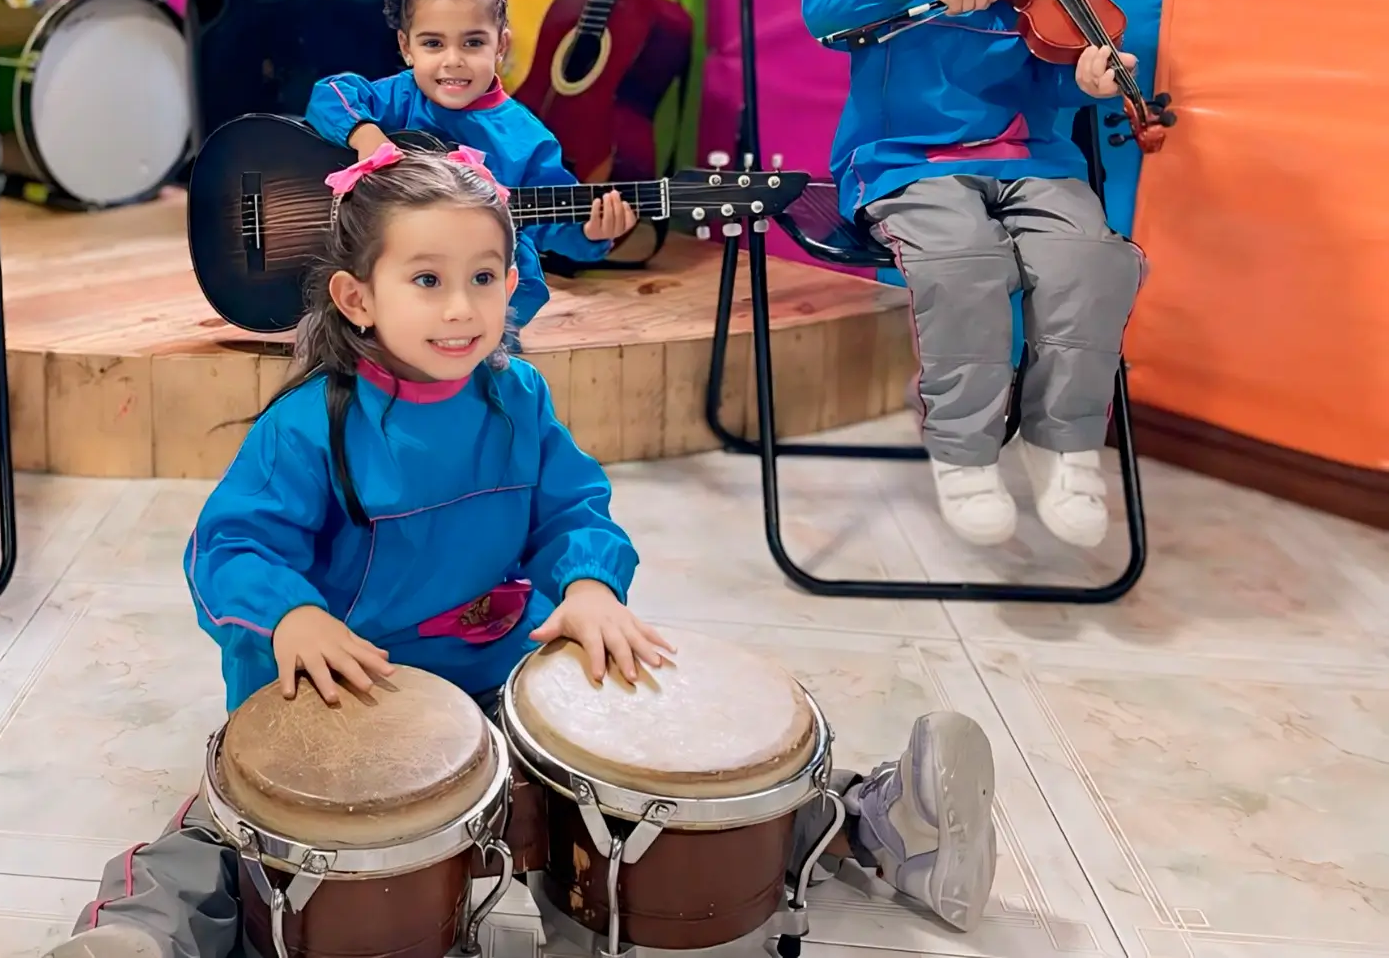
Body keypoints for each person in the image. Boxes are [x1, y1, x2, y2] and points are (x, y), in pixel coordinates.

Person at [50, 147, 999, 958]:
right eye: (425, 279)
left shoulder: (518, 399)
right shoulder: (311, 427)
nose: (461, 307)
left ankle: (881, 825)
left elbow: (574, 508)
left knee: (667, 776)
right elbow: (231, 546)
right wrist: (292, 614)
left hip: (495, 677)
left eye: (484, 276)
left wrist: (585, 582)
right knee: (225, 832)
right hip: (349, 701)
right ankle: (138, 929)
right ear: (356, 296)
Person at [799, 0, 1146, 548]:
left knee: (1091, 260)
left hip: (1028, 161)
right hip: (902, 163)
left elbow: (1046, 84)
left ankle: (1061, 446)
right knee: (964, 262)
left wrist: (1086, 80)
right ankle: (963, 451)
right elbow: (825, 12)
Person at [302, 0, 639, 331]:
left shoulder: (526, 139)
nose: (453, 60)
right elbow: (329, 93)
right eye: (433, 44)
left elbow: (555, 220)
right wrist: (366, 136)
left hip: (477, 307)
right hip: (389, 284)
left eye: (473, 43)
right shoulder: (398, 97)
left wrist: (591, 232)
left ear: (500, 46)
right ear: (405, 47)